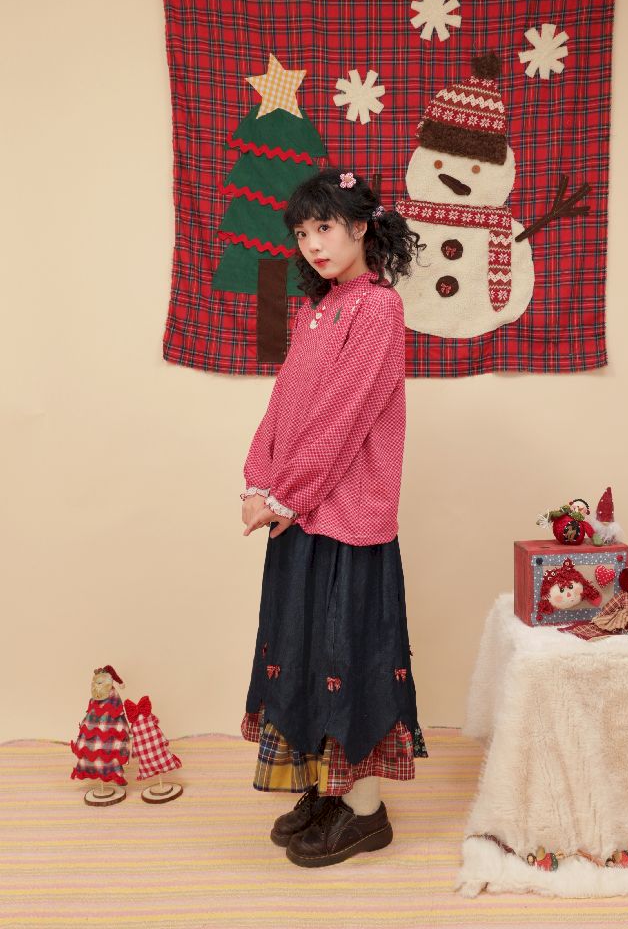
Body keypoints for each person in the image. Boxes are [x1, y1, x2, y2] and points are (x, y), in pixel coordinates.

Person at [239, 167, 428, 868]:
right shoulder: (316, 311)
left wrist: (284, 494)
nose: (312, 244)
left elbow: (343, 420)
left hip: (345, 518)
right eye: (301, 233)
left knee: (351, 657)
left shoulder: (378, 309)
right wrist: (259, 481)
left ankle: (366, 813)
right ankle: (327, 790)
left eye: (324, 227)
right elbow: (286, 406)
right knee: (307, 654)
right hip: (300, 513)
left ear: (360, 227)